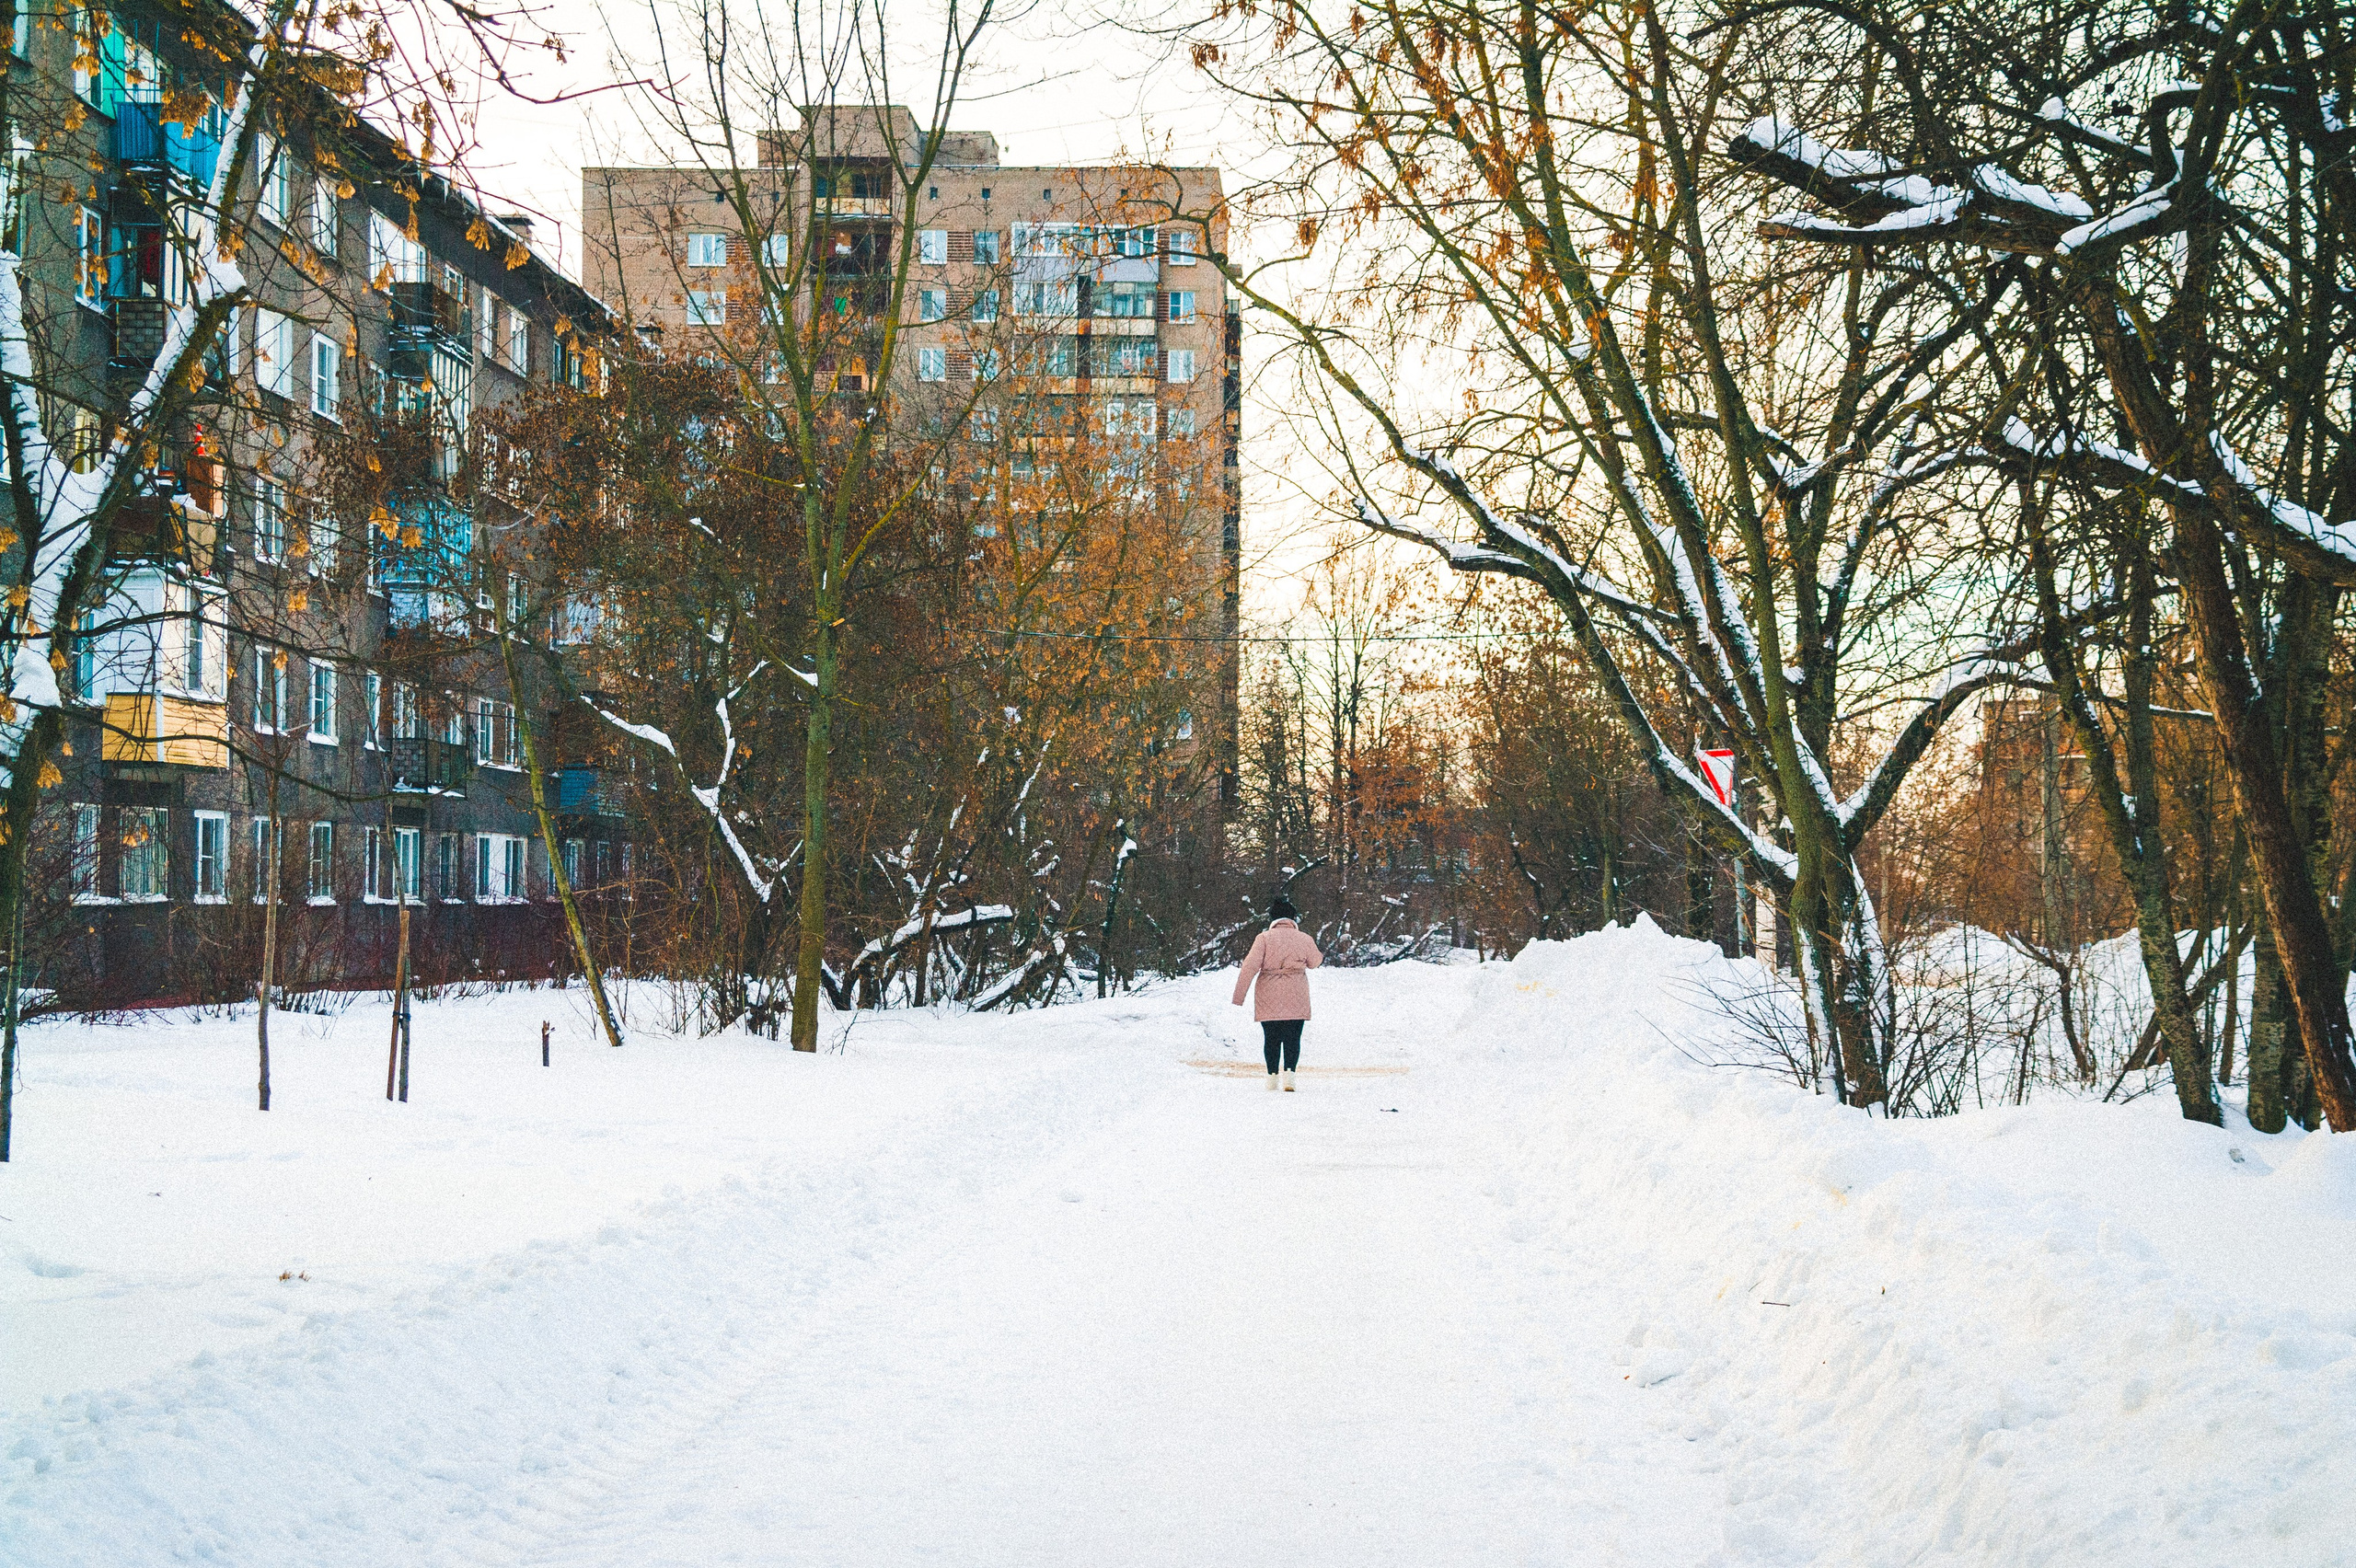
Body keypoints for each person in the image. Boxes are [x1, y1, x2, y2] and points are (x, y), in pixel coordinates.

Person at [1231, 898, 1322, 1091]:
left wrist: (1239, 997)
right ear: (1293, 918)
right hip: (1296, 991)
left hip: (1268, 992)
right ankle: (1290, 1077)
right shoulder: (1305, 939)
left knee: (1271, 1037)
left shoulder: (1263, 938)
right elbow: (1315, 962)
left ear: (1272, 918)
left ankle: (1272, 1078)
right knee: (1293, 1037)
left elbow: (1249, 967)